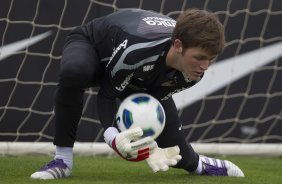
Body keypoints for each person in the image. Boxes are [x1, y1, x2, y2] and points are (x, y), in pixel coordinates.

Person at [30, 8, 244, 179]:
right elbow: (107, 94)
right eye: (199, 57)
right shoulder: (138, 50)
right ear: (178, 45)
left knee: (175, 151)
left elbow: (153, 96)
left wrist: (153, 144)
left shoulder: (193, 74)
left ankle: (201, 165)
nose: (205, 66)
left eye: (211, 58)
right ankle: (62, 160)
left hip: (135, 73)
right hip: (94, 48)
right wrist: (114, 138)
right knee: (74, 72)